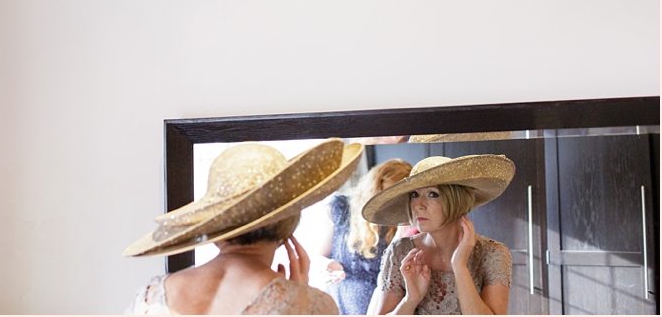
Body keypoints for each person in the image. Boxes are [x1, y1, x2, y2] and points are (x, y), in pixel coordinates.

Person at [123, 138, 363, 314]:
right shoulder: (312, 306)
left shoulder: (150, 294)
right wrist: (300, 299)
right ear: (289, 224)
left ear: (214, 227)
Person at [363, 154, 515, 315]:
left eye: (432, 194)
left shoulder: (493, 254)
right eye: (414, 195)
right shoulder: (400, 251)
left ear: (457, 200)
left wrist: (460, 266)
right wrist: (411, 299)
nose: (418, 205)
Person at [323, 158, 413, 314]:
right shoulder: (343, 209)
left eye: (396, 201)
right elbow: (320, 257)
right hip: (337, 306)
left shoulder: (404, 225)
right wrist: (327, 266)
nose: (387, 207)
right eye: (383, 197)